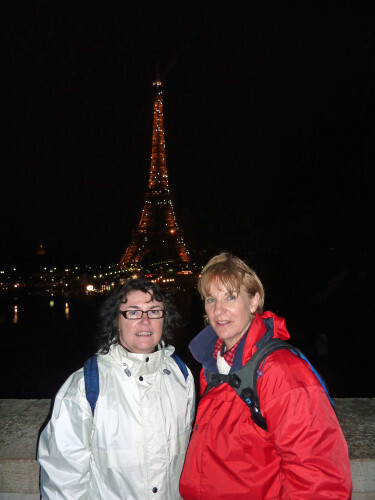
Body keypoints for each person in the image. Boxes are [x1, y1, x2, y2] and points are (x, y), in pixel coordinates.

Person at [179, 253, 352, 499]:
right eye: (210, 299)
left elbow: (318, 478)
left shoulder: (282, 371)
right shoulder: (212, 366)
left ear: (253, 302)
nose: (218, 310)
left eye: (230, 297)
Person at [38, 277, 195, 499]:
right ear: (116, 320)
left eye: (154, 311)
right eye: (133, 312)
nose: (145, 320)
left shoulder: (182, 376)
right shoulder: (85, 387)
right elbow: (63, 483)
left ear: (164, 318)